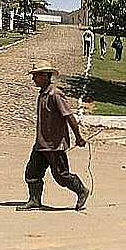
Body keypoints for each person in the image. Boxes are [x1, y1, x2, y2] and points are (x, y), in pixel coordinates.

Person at [18, 60, 89, 212]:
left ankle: (81, 190)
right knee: (32, 173)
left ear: (45, 76)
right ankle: (34, 200)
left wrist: (78, 137)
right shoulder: (42, 94)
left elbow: (69, 117)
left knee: (61, 176)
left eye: (36, 76)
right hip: (41, 144)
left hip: (55, 145)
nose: (33, 79)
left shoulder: (55, 94)